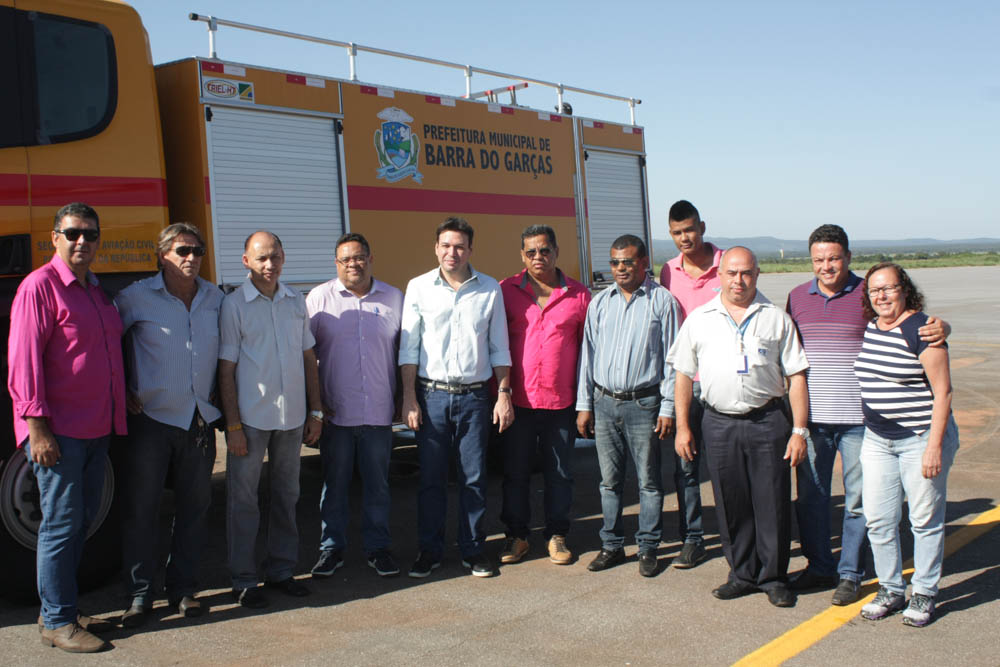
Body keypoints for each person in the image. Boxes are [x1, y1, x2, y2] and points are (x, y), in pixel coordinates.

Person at [786, 225, 950, 605]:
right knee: (811, 498)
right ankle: (819, 566)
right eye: (819, 259)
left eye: (834, 258)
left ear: (848, 256)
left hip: (861, 420)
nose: (826, 266)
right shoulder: (796, 298)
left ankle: (850, 574)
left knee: (860, 501)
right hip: (813, 420)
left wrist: (942, 327)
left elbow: (907, 323)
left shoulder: (867, 293)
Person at [7, 203, 124, 652]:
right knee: (58, 525)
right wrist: (37, 429)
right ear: (55, 237)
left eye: (90, 235)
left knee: (79, 524)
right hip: (61, 433)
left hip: (97, 429)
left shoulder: (95, 290)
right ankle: (57, 622)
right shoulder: (39, 287)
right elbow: (24, 364)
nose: (82, 242)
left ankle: (63, 609)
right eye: (73, 233)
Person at [668, 247, 809, 607]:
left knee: (772, 501)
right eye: (731, 273)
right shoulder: (699, 319)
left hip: (768, 421)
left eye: (746, 273)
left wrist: (799, 430)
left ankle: (774, 577)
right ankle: (742, 573)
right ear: (720, 276)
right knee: (731, 501)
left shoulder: (775, 318)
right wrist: (684, 426)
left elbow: (796, 376)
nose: (738, 281)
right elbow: (683, 375)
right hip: (718, 423)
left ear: (757, 275)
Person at [115, 223, 222, 626]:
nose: (191, 257)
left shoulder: (215, 298)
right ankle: (140, 595)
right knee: (141, 510)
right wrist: (120, 385)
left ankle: (185, 589)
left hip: (199, 422)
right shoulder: (136, 297)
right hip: (152, 421)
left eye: (198, 250)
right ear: (162, 254)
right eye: (182, 250)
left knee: (195, 509)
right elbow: (106, 342)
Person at [399, 217, 513, 579]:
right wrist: (408, 399)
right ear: (436, 248)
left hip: (476, 398)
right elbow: (409, 348)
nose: (452, 252)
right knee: (431, 480)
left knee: (474, 478)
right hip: (431, 396)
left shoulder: (489, 289)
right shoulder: (418, 288)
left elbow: (499, 347)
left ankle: (474, 551)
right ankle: (429, 552)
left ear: (470, 250)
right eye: (446, 245)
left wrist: (504, 394)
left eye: (460, 246)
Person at [218, 231, 323, 608]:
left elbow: (308, 358)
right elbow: (226, 368)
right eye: (261, 258)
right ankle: (244, 579)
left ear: (283, 258)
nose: (269, 264)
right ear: (245, 261)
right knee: (243, 501)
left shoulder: (296, 300)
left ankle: (281, 571)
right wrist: (232, 426)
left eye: (275, 256)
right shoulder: (234, 305)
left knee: (287, 496)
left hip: (293, 418)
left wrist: (315, 410)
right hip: (250, 420)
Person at [854, 263, 959, 628]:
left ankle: (925, 591)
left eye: (889, 288)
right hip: (878, 439)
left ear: (905, 289)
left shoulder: (922, 330)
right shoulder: (871, 328)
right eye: (874, 291)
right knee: (879, 520)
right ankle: (891, 588)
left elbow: (943, 392)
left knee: (924, 520)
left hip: (919, 438)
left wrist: (934, 447)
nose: (882, 296)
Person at [576, 234, 681, 578]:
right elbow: (587, 358)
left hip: (644, 404)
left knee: (649, 481)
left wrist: (667, 407)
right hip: (604, 403)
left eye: (628, 262)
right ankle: (612, 545)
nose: (621, 268)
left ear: (644, 262)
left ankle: (648, 547)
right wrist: (585, 404)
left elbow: (672, 359)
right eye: (615, 262)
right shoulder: (599, 303)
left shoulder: (662, 302)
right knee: (609, 482)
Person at [306, 233, 404, 579]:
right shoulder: (319, 299)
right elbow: (307, 357)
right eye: (346, 259)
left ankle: (378, 548)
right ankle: (331, 549)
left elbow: (404, 356)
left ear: (370, 258)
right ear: (336, 263)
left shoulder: (394, 298)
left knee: (377, 486)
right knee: (335, 484)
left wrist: (403, 398)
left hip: (379, 413)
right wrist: (315, 408)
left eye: (359, 257)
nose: (353, 264)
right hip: (336, 414)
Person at [498, 225, 590, 566]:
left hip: (560, 402)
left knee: (559, 473)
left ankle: (557, 535)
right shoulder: (505, 291)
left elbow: (586, 353)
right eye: (531, 252)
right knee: (515, 474)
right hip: (517, 403)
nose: (539, 257)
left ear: (556, 251)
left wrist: (585, 404)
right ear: (522, 255)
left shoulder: (578, 295)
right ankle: (517, 537)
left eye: (545, 250)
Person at [658, 200, 723, 569]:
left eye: (691, 230)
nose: (685, 238)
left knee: (725, 466)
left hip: (722, 385)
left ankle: (735, 535)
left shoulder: (728, 263)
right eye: (678, 232)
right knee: (685, 466)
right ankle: (692, 538)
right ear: (671, 234)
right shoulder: (668, 271)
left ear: (702, 226)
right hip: (684, 382)